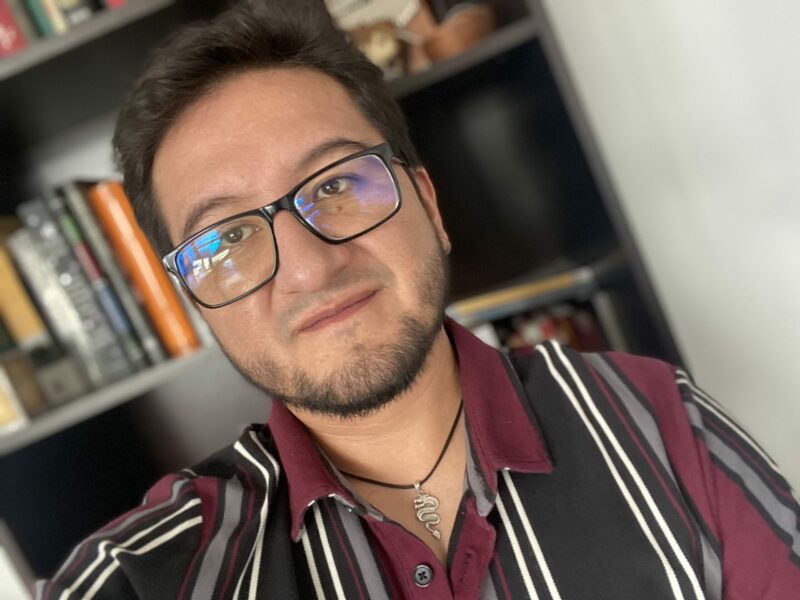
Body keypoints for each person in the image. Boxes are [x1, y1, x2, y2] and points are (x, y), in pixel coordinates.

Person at [37, 2, 800, 598]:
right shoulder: (136, 579)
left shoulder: (662, 427)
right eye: (227, 240)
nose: (308, 268)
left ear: (426, 204)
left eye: (335, 185)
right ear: (195, 296)